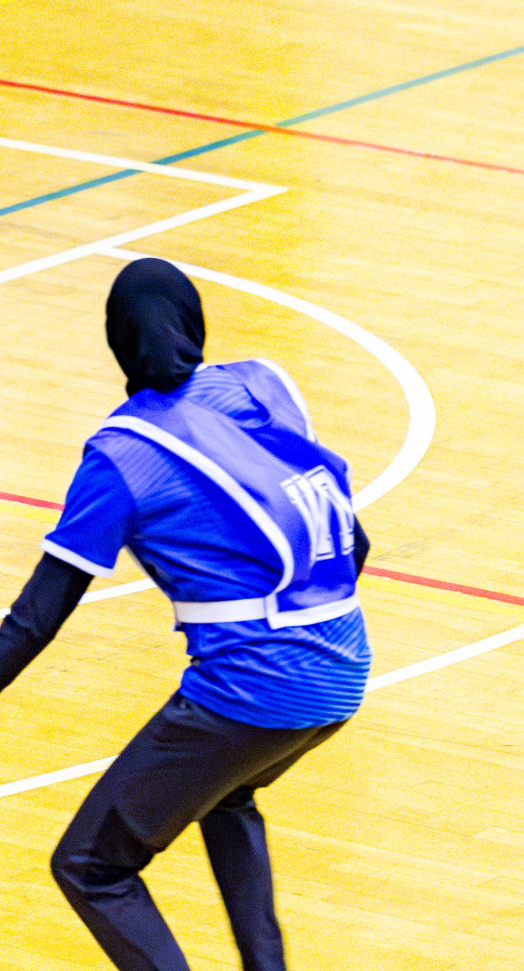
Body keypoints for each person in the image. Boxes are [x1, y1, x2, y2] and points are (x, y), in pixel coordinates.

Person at [0, 257, 372, 971]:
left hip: (250, 691)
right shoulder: (262, 385)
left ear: (118, 342)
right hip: (345, 668)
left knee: (91, 865)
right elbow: (353, 543)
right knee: (228, 796)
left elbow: (34, 621)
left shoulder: (122, 455)